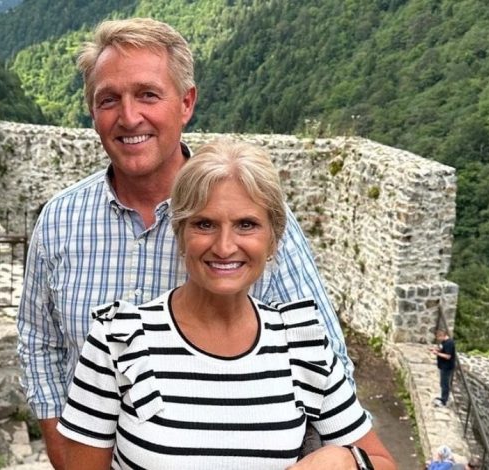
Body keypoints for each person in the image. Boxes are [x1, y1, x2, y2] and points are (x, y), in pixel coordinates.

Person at [17, 17, 357, 469]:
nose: (129, 117)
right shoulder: (60, 220)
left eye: (148, 94)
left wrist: (336, 458)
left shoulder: (248, 224)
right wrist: (66, 453)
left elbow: (325, 361)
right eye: (108, 99)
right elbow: (41, 341)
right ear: (92, 111)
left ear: (186, 103)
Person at [57, 139, 395, 469]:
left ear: (273, 240)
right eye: (204, 224)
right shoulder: (118, 342)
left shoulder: (301, 345)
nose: (224, 247)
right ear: (181, 234)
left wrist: (344, 460)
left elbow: (382, 462)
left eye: (246, 225)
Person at [430, 328, 456, 407]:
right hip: (443, 366)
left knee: (445, 384)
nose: (438, 339)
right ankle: (443, 397)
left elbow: (448, 356)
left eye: (438, 337)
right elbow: (442, 349)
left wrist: (437, 353)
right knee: (442, 383)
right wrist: (436, 350)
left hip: (446, 367)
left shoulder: (449, 343)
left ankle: (444, 400)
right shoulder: (444, 342)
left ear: (442, 336)